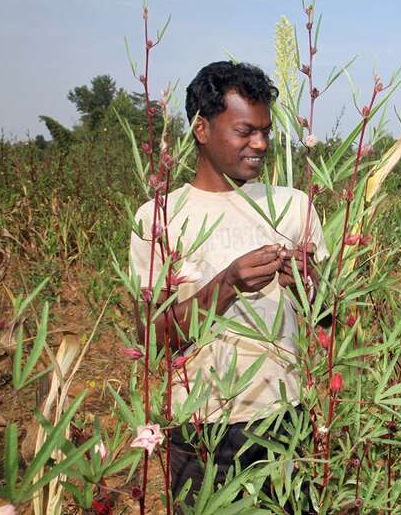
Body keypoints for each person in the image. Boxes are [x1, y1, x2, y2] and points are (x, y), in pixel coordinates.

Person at [129, 61, 327, 507]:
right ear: (202, 129)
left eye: (265, 131)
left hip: (281, 420)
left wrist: (303, 281)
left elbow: (328, 316)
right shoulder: (159, 218)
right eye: (245, 131)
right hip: (199, 429)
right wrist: (228, 283)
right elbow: (152, 339)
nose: (260, 143)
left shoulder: (293, 207)